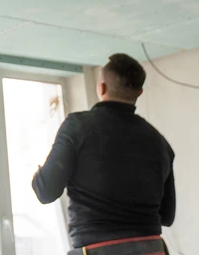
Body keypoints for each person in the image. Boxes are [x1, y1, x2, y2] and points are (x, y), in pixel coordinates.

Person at [32, 53, 175, 255]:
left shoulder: (77, 126)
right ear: (140, 92)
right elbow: (167, 216)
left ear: (102, 87)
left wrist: (38, 173)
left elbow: (45, 191)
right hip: (152, 249)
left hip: (98, 249)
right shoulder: (159, 142)